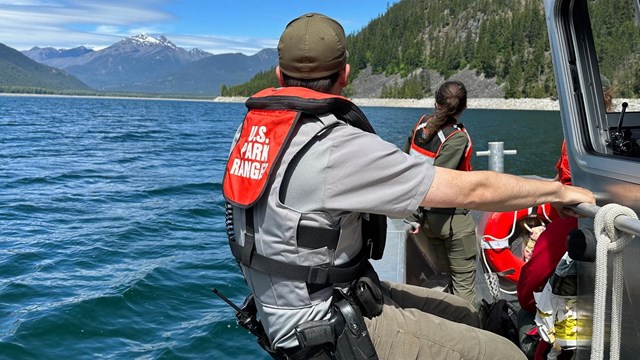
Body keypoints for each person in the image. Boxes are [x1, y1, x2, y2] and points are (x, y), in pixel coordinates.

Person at [222, 12, 595, 360]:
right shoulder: (335, 145)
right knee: (508, 355)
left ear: (278, 74)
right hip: (326, 325)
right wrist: (559, 191)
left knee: (466, 311)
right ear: (345, 74)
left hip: (301, 306)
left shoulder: (253, 133)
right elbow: (472, 191)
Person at [405, 81, 478, 305]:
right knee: (464, 289)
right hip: (452, 222)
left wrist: (413, 215)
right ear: (464, 106)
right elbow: (440, 179)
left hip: (424, 221)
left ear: (436, 103)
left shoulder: (421, 125)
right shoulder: (457, 137)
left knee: (442, 278)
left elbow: (406, 164)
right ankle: (471, 332)